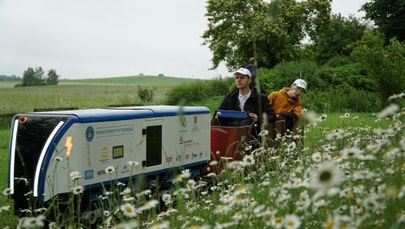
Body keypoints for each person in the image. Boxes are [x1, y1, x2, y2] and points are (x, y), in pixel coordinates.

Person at [211, 67, 276, 135]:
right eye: (237, 78)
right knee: (215, 120)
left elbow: (272, 115)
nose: (239, 80)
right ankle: (215, 143)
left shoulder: (260, 97)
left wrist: (258, 118)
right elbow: (219, 112)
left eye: (242, 78)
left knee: (246, 122)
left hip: (252, 131)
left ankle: (242, 145)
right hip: (231, 127)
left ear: (249, 80)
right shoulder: (230, 97)